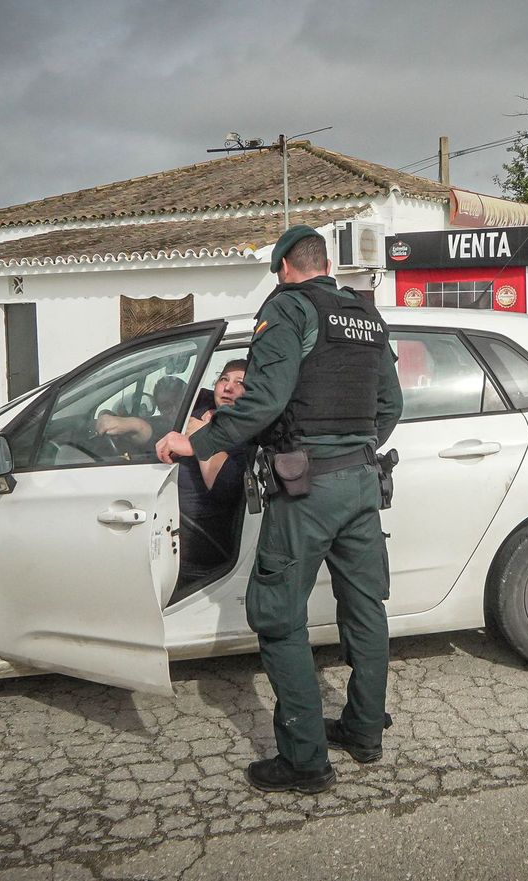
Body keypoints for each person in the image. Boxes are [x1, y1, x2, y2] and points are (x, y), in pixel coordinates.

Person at [157, 225, 402, 794]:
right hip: (363, 482)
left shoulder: (288, 311)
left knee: (277, 616)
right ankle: (365, 732)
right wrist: (353, 448)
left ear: (287, 267)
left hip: (307, 489)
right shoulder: (366, 318)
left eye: (276, 272)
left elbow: (265, 400)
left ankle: (304, 760)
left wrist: (199, 442)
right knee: (365, 607)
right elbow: (391, 404)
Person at [176, 360, 251, 586]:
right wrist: (131, 425)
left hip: (199, 547)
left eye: (240, 383)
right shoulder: (200, 410)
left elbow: (225, 488)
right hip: (167, 524)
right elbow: (162, 427)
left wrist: (202, 438)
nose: (228, 388)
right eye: (224, 379)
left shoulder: (245, 431)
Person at [95, 375, 188, 447]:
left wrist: (134, 424)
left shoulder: (200, 421)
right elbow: (152, 431)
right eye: (166, 406)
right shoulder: (164, 425)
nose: (175, 409)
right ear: (160, 409)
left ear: (189, 397)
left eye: (179, 401)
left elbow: (143, 428)